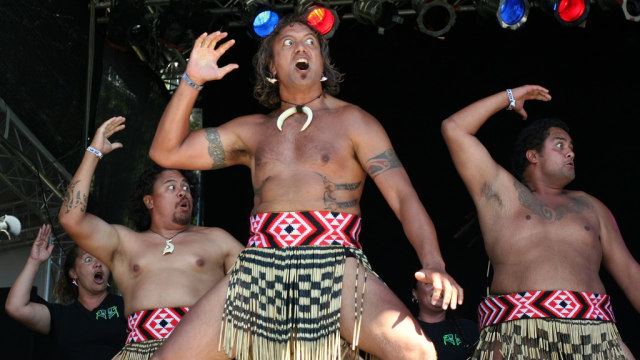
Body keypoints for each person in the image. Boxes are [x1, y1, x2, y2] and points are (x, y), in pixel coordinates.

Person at [148, 13, 463, 360]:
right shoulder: (251, 131)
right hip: (259, 266)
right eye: (289, 43)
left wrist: (434, 262)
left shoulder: (354, 122)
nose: (302, 47)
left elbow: (404, 199)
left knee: (417, 353)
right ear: (271, 67)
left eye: (311, 42)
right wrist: (192, 80)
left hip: (334, 263)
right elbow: (166, 151)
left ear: (323, 65)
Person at [440, 85, 640, 359]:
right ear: (533, 156)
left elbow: (630, 273)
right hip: (517, 335)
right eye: (560, 145)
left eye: (571, 148)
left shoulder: (591, 206)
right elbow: (454, 128)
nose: (570, 153)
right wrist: (510, 97)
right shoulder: (502, 193)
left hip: (596, 335)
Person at [57, 116, 245, 359]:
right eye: (171, 187)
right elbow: (70, 218)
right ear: (149, 201)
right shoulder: (125, 242)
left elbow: (260, 278)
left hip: (202, 349)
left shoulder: (216, 239)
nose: (181, 191)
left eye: (186, 187)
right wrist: (94, 152)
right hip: (140, 351)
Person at [5, 224, 127, 360]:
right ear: (74, 273)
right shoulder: (61, 316)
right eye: (88, 259)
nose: (98, 263)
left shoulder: (126, 306)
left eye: (102, 259)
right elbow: (16, 307)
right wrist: (34, 261)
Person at [412, 278, 479, 359]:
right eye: (428, 283)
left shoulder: (468, 328)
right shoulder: (405, 330)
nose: (438, 287)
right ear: (415, 294)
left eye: (442, 283)